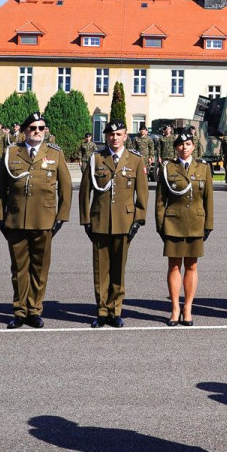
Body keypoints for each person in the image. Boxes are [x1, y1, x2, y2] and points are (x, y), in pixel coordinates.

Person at [0, 112, 72, 329]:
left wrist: (61, 217)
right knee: (19, 268)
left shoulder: (55, 154)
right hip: (16, 219)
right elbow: (1, 188)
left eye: (41, 128)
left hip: (44, 220)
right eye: (33, 128)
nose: (37, 132)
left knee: (39, 268)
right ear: (24, 131)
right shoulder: (11, 153)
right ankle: (19, 311)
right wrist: (0, 217)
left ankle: (35, 310)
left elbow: (66, 189)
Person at [80, 119, 147, 327]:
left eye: (119, 134)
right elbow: (84, 192)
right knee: (101, 269)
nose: (115, 138)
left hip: (124, 222)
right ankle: (102, 311)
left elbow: (142, 194)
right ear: (106, 136)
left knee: (118, 268)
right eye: (111, 134)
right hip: (100, 220)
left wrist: (138, 220)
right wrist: (86, 220)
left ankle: (116, 310)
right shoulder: (96, 158)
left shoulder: (135, 160)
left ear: (126, 136)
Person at [155, 127, 214, 326]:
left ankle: (188, 307)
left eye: (187, 144)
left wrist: (209, 224)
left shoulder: (204, 168)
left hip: (196, 222)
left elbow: (208, 200)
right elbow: (160, 200)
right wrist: (160, 225)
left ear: (194, 146)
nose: (184, 148)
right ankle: (175, 308)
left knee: (192, 265)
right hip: (173, 222)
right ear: (175, 148)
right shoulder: (167, 168)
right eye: (180, 144)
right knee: (173, 266)